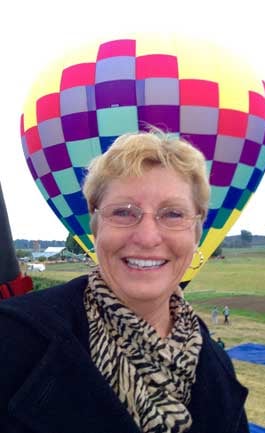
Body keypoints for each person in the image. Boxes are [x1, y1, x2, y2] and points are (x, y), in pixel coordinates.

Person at [0, 130, 249, 433]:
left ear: (197, 234)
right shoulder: (13, 338)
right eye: (122, 212)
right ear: (96, 227)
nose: (146, 237)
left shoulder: (216, 364)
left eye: (172, 214)